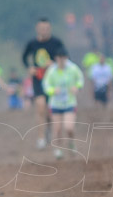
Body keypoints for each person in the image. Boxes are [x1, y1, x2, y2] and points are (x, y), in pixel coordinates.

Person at [21, 18, 66, 150]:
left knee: (51, 111)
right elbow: (24, 57)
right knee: (40, 107)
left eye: (46, 28)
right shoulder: (32, 43)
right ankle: (41, 137)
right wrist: (29, 68)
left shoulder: (57, 42)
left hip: (53, 81)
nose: (44, 31)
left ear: (50, 29)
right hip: (38, 79)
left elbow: (65, 58)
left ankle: (52, 133)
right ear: (37, 29)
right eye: (41, 28)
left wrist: (55, 64)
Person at [42, 48, 84, 159]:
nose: (61, 60)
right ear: (56, 59)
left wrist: (77, 87)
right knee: (57, 129)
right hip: (55, 104)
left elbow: (80, 79)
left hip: (70, 103)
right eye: (59, 58)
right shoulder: (51, 71)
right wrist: (52, 90)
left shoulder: (73, 68)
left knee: (69, 127)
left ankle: (72, 143)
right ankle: (58, 149)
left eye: (63, 58)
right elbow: (46, 85)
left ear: (66, 58)